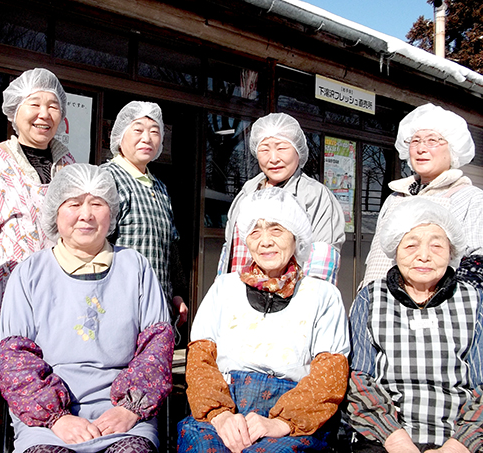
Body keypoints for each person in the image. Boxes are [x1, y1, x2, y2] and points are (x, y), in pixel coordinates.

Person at [0, 163, 174, 453]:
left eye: (97, 203)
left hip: (123, 413)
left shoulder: (136, 267)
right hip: (47, 419)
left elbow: (157, 347)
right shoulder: (30, 272)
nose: (86, 215)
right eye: (74, 203)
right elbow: (14, 359)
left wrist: (130, 408)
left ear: (112, 211)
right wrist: (56, 418)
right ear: (55, 210)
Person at [178, 187, 350, 453]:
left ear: (297, 237)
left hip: (294, 414)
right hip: (226, 407)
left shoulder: (322, 295)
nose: (265, 241)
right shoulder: (224, 288)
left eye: (276, 230)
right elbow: (200, 361)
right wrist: (219, 414)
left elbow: (329, 376)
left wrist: (281, 423)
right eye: (255, 232)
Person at [348, 198, 483, 452]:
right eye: (411, 245)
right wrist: (397, 441)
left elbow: (481, 384)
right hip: (384, 436)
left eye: (436, 246)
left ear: (452, 251)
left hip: (461, 438)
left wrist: (457, 446)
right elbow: (358, 379)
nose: (424, 256)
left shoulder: (474, 300)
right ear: (394, 250)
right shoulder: (371, 297)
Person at [0, 67, 75, 338]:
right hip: (7, 294)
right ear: (14, 111)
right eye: (34, 104)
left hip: (63, 294)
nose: (45, 114)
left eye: (53, 106)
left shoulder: (69, 165)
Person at [361, 102, 483, 285]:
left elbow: (477, 264)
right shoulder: (395, 198)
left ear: (453, 149)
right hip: (379, 305)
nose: (421, 148)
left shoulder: (470, 199)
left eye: (432, 140)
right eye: (415, 140)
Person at [218, 113, 345, 284]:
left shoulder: (315, 196)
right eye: (264, 149)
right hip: (239, 301)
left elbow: (321, 264)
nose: (273, 158)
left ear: (298, 151)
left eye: (282, 148)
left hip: (290, 303)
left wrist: (308, 304)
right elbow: (229, 254)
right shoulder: (247, 193)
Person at [100, 101, 187, 327]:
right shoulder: (108, 179)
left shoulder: (158, 186)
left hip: (158, 306)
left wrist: (176, 292)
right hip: (118, 307)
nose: (147, 138)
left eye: (154, 131)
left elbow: (171, 244)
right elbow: (94, 244)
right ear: (120, 135)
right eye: (138, 130)